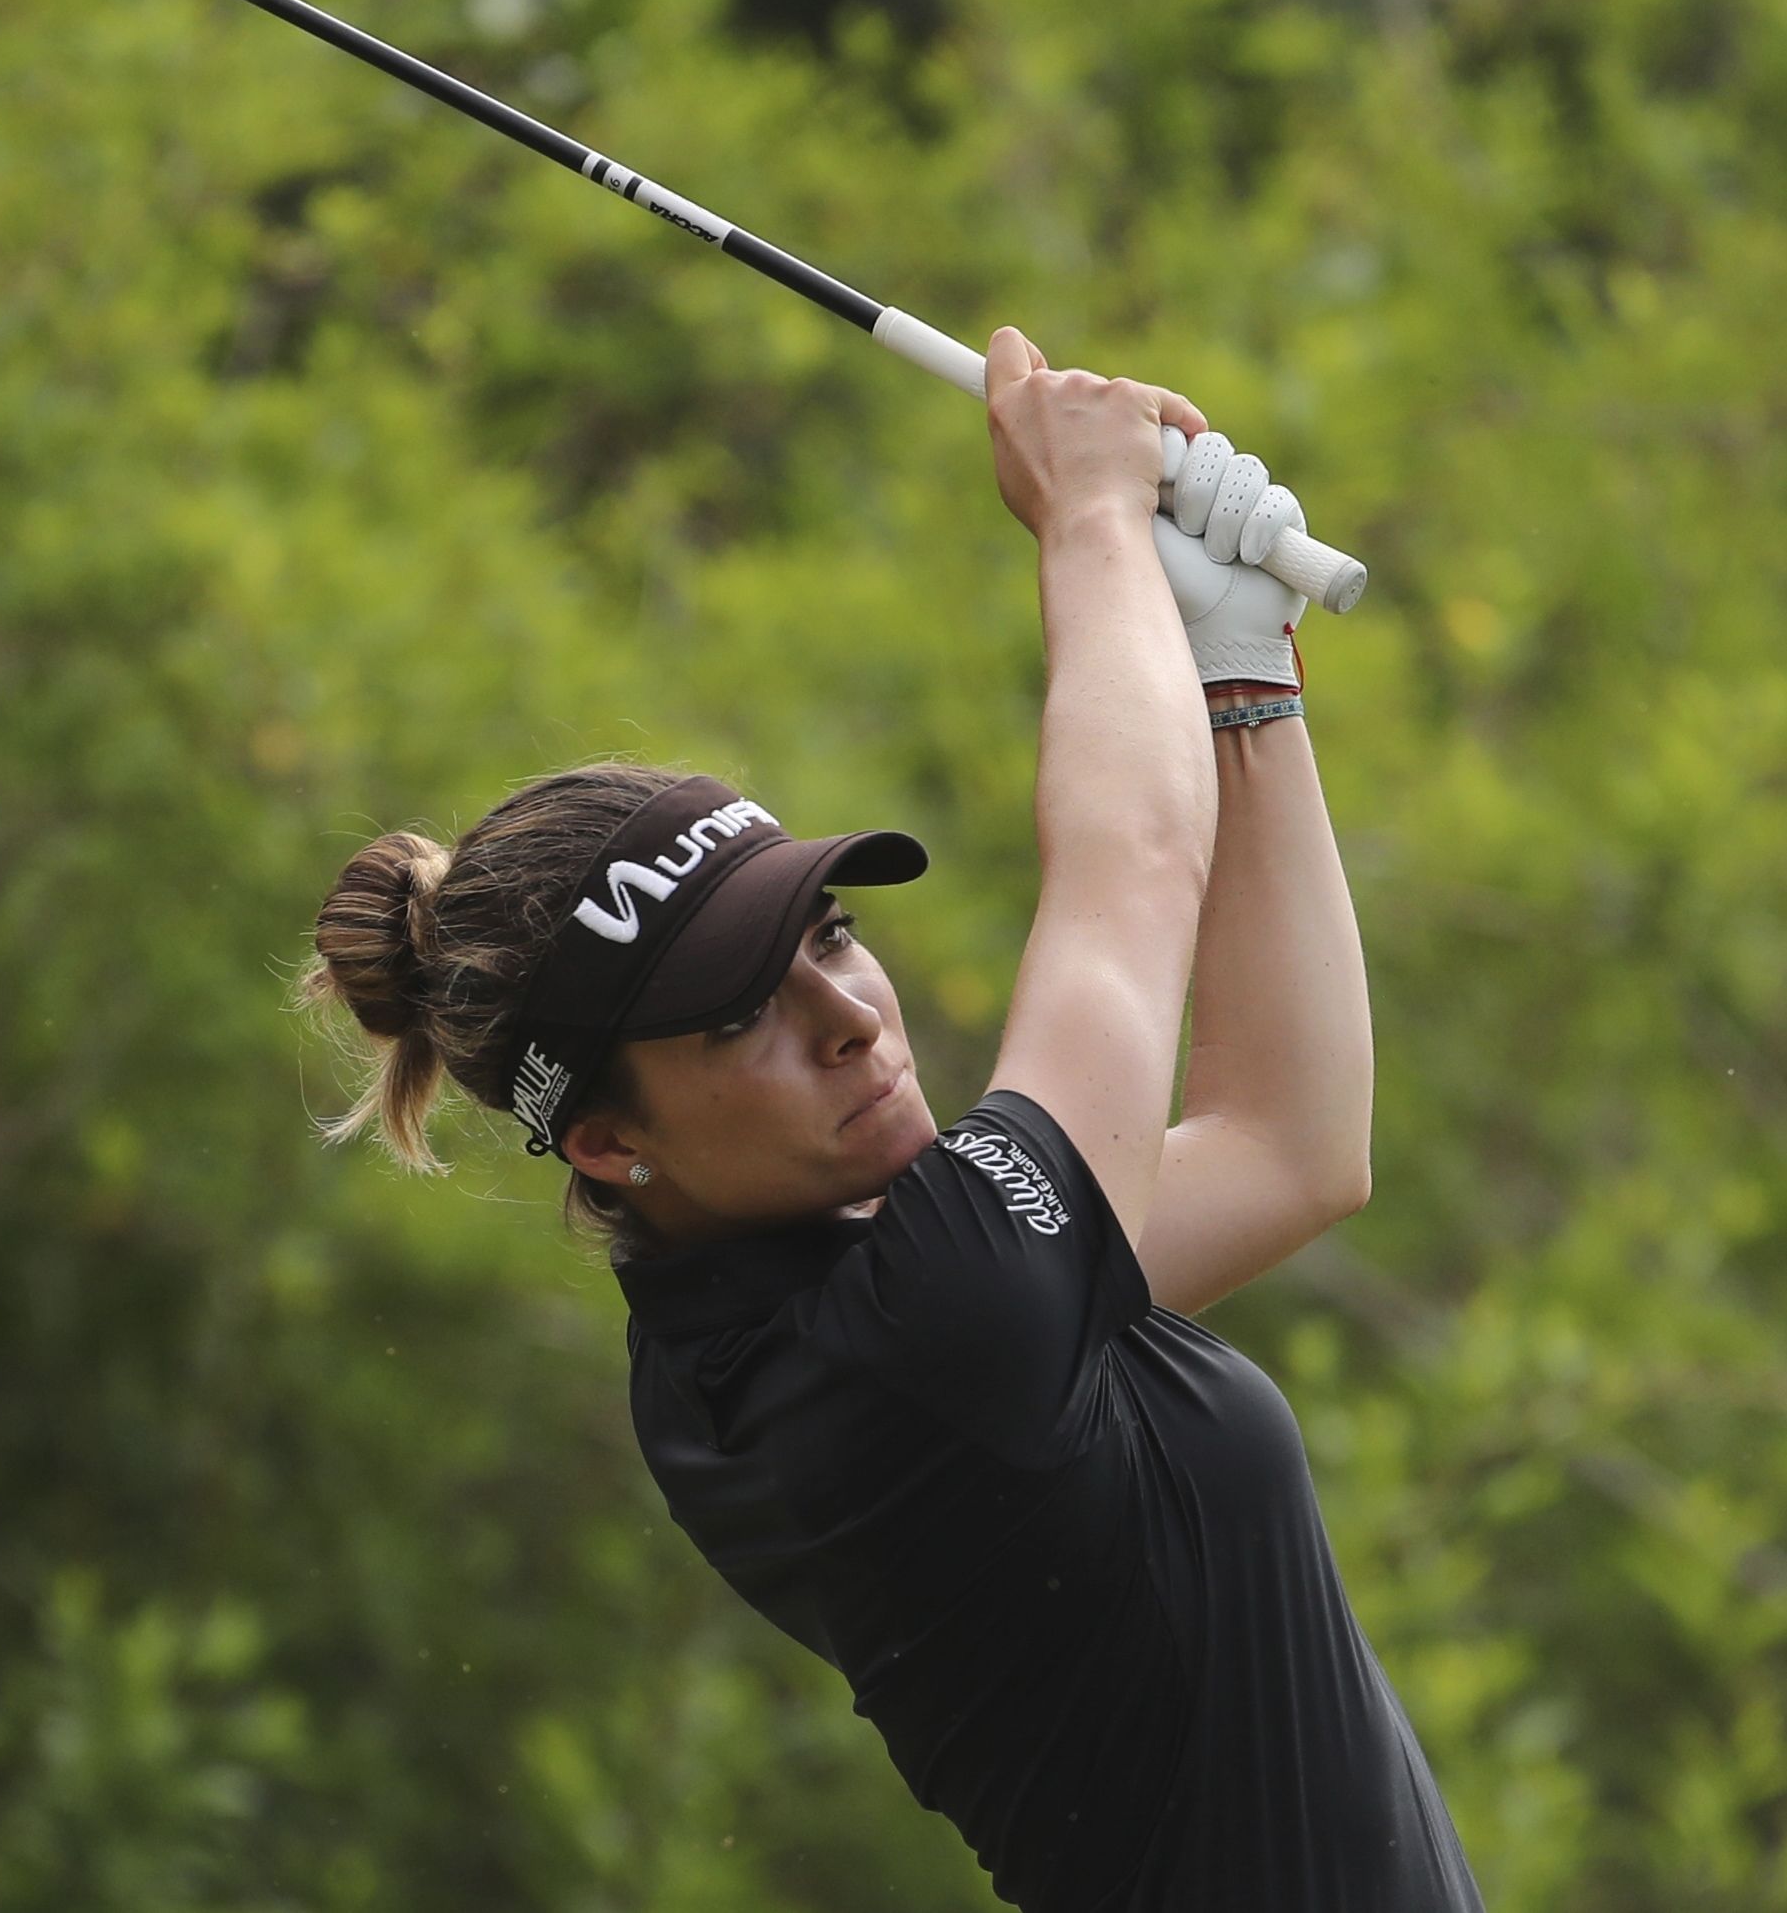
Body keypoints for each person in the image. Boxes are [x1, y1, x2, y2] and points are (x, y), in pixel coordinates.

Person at [299, 328, 1485, 1911]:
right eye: (738, 1014)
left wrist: (1241, 670)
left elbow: (1287, 1142)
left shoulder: (785, 1317)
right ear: (602, 1140)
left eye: (829, 933)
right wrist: (1086, 525)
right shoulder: (917, 1334)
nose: (846, 1012)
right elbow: (1130, 861)